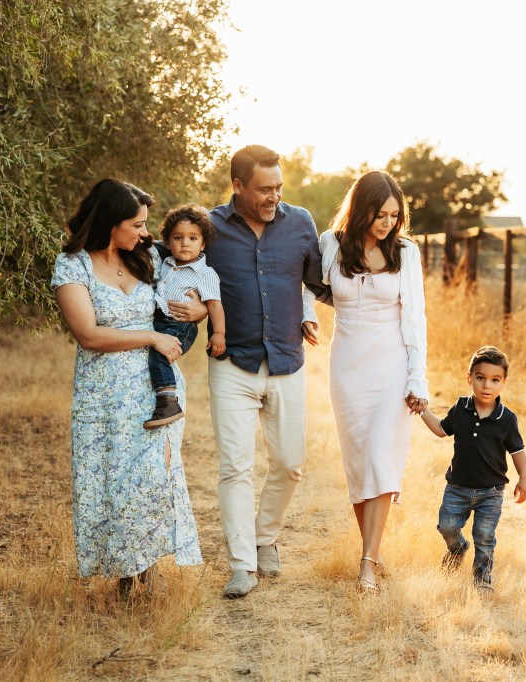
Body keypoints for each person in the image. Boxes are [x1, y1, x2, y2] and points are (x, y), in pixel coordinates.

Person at [168, 144, 328, 599]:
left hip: (286, 361)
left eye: (278, 187)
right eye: (263, 189)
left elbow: (312, 281)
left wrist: (308, 310)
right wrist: (197, 306)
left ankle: (264, 537)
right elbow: (182, 272)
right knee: (235, 468)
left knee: (290, 464)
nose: (273, 196)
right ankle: (242, 564)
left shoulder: (300, 223)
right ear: (237, 186)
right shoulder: (210, 229)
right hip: (232, 364)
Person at [51, 179, 202, 601]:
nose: (143, 232)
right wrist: (150, 337)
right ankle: (124, 576)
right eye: (135, 224)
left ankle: (148, 574)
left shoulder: (148, 258)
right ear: (109, 223)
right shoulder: (73, 266)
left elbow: (195, 280)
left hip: (156, 390)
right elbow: (88, 335)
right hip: (103, 396)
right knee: (115, 483)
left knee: (154, 480)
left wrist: (203, 309)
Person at [308, 170, 429, 593]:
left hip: (391, 364)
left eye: (395, 216)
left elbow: (415, 319)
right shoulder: (331, 244)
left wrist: (418, 378)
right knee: (359, 463)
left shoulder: (406, 252)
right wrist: (307, 314)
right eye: (380, 214)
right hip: (347, 367)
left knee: (380, 456)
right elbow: (308, 286)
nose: (388, 223)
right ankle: (374, 553)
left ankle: (366, 566)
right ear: (361, 210)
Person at [417, 345, 526, 592]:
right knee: (447, 526)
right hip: (457, 488)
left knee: (485, 536)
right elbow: (441, 429)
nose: (486, 385)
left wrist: (523, 477)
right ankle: (457, 548)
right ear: (470, 379)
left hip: (491, 491)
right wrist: (423, 410)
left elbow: (517, 450)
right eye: (480, 378)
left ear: (503, 383)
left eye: (494, 380)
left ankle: (482, 580)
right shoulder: (461, 408)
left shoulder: (507, 418)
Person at [143, 203, 226, 429]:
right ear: (168, 241)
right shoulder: (166, 263)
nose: (185, 243)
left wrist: (219, 333)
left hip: (181, 325)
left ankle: (169, 401)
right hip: (160, 321)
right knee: (152, 349)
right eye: (178, 238)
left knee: (159, 352)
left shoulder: (205, 274)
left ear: (203, 243)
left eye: (192, 238)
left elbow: (215, 305)